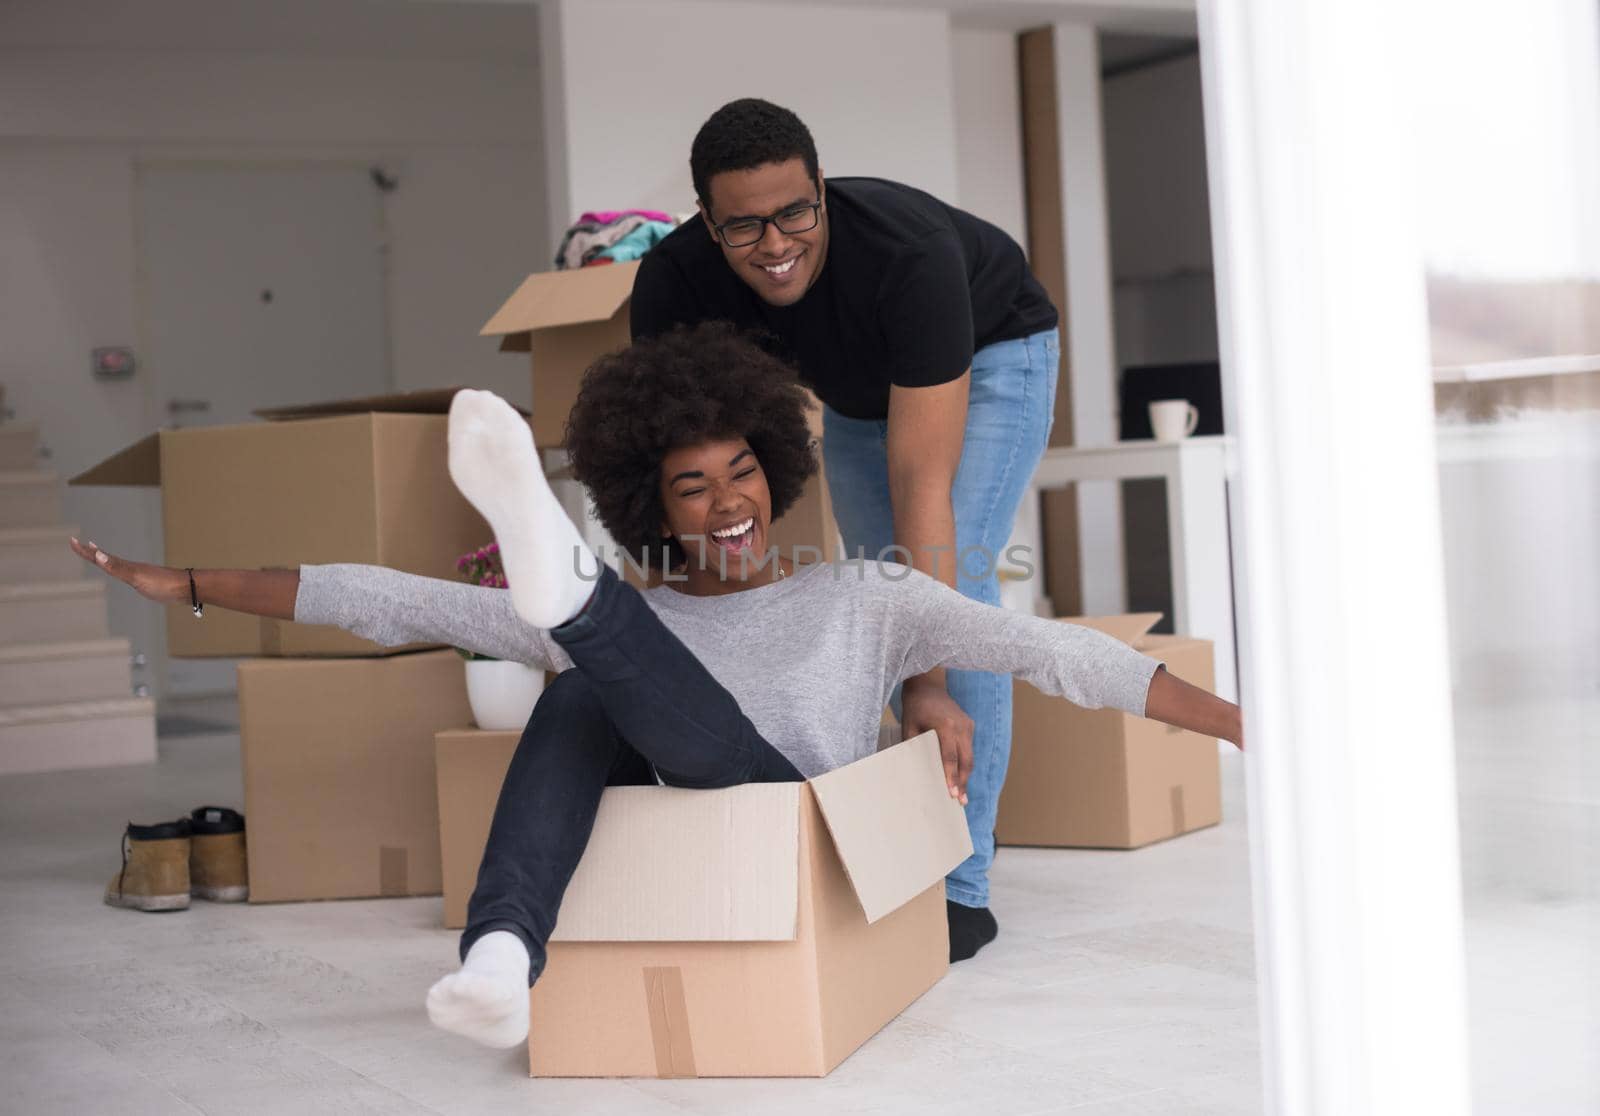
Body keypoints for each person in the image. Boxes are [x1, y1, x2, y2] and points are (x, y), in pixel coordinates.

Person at [75, 323, 1241, 1052]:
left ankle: (558, 577)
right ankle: (497, 962)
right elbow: (398, 601)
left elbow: (1059, 655)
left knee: (585, 652)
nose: (728, 503)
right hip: (654, 766)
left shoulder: (867, 596)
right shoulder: (655, 615)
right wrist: (182, 579)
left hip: (784, 809)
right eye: (693, 486)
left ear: (776, 475)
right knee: (583, 684)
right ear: (651, 501)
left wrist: (1245, 722)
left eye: (742, 472)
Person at [630, 98, 1063, 957]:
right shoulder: (674, 285)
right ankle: (906, 832)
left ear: (822, 189)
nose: (777, 242)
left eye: (795, 211)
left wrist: (927, 680)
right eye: (743, 227)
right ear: (707, 226)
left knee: (952, 584)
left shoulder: (909, 254)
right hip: (859, 398)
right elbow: (675, 472)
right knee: (876, 603)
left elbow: (921, 479)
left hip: (992, 354)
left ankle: (960, 886)